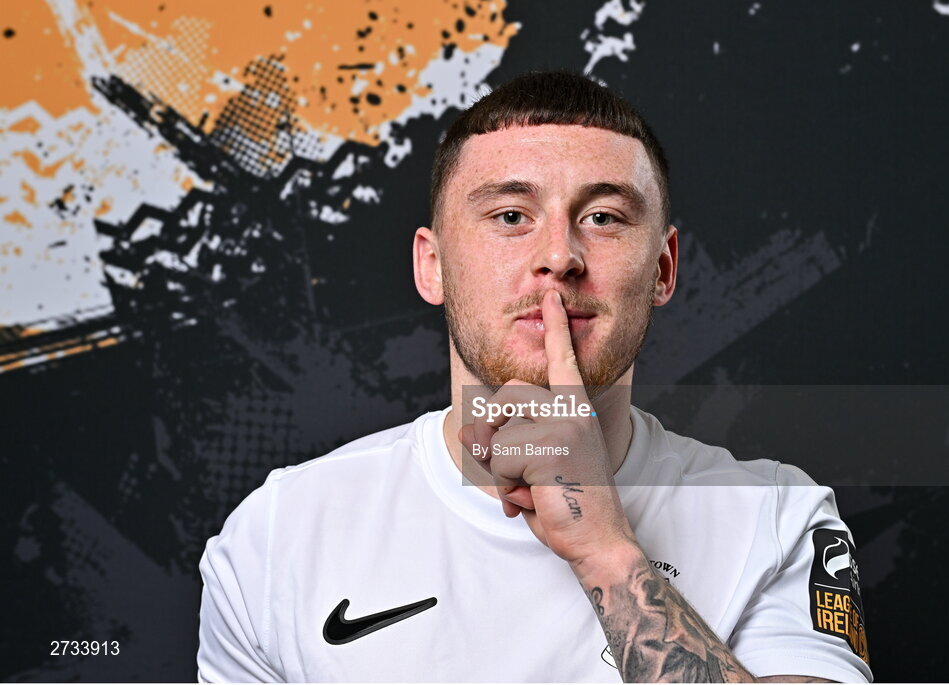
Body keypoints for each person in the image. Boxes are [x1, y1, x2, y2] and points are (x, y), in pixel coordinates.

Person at [197, 71, 872, 683]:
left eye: (603, 217)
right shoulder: (279, 534)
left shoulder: (778, 519)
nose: (559, 255)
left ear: (664, 269)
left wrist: (606, 549)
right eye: (511, 215)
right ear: (432, 266)